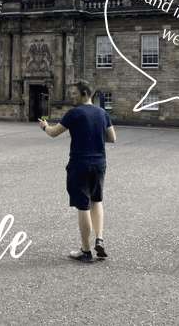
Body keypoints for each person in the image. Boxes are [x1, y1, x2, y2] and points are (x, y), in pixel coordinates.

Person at [38, 81, 116, 263]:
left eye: (74, 93)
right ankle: (100, 238)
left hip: (80, 163)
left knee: (83, 206)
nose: (71, 96)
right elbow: (112, 138)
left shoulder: (74, 114)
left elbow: (53, 133)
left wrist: (44, 126)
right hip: (99, 163)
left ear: (84, 93)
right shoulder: (102, 113)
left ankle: (86, 250)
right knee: (97, 200)